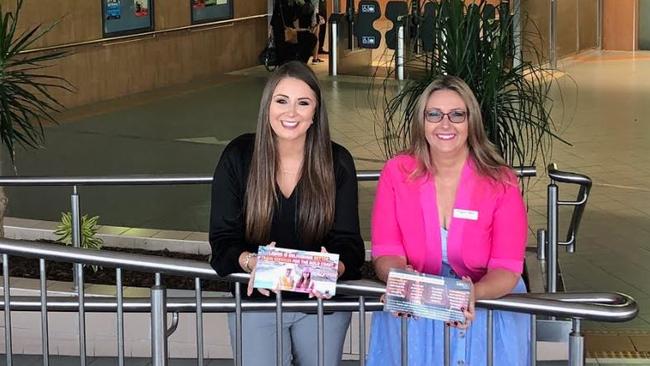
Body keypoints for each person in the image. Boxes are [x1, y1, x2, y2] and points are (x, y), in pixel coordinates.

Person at [209, 61, 365, 366]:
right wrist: (250, 261)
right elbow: (222, 240)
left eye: (303, 103)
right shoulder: (238, 157)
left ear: (315, 113)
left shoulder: (337, 162)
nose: (291, 113)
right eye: (282, 101)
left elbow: (351, 245)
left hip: (321, 306)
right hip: (258, 302)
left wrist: (337, 267)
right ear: (267, 106)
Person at [366, 75, 530, 366]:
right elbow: (386, 251)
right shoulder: (396, 173)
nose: (445, 124)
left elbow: (507, 268)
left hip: (484, 313)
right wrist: (401, 279)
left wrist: (470, 294)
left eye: (457, 115)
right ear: (422, 122)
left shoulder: (500, 181)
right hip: (417, 313)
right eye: (434, 114)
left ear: (472, 122)